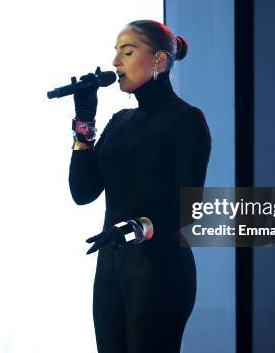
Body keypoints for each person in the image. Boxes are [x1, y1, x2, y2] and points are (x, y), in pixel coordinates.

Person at [69, 20, 211, 353]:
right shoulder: (120, 121)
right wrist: (83, 126)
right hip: (112, 266)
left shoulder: (186, 120)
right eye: (116, 52)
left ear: (159, 60)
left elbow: (189, 212)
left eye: (128, 52)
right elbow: (83, 192)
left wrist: (133, 230)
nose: (116, 62)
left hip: (159, 269)